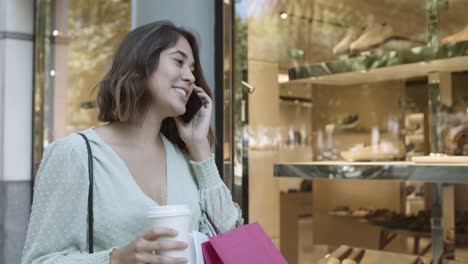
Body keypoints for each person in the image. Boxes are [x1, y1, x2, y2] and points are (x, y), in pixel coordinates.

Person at [21, 20, 242, 264]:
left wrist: (200, 148)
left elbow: (231, 238)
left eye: (192, 68)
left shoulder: (185, 158)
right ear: (142, 63)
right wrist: (115, 260)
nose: (190, 77)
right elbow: (38, 261)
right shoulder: (76, 154)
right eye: (179, 62)